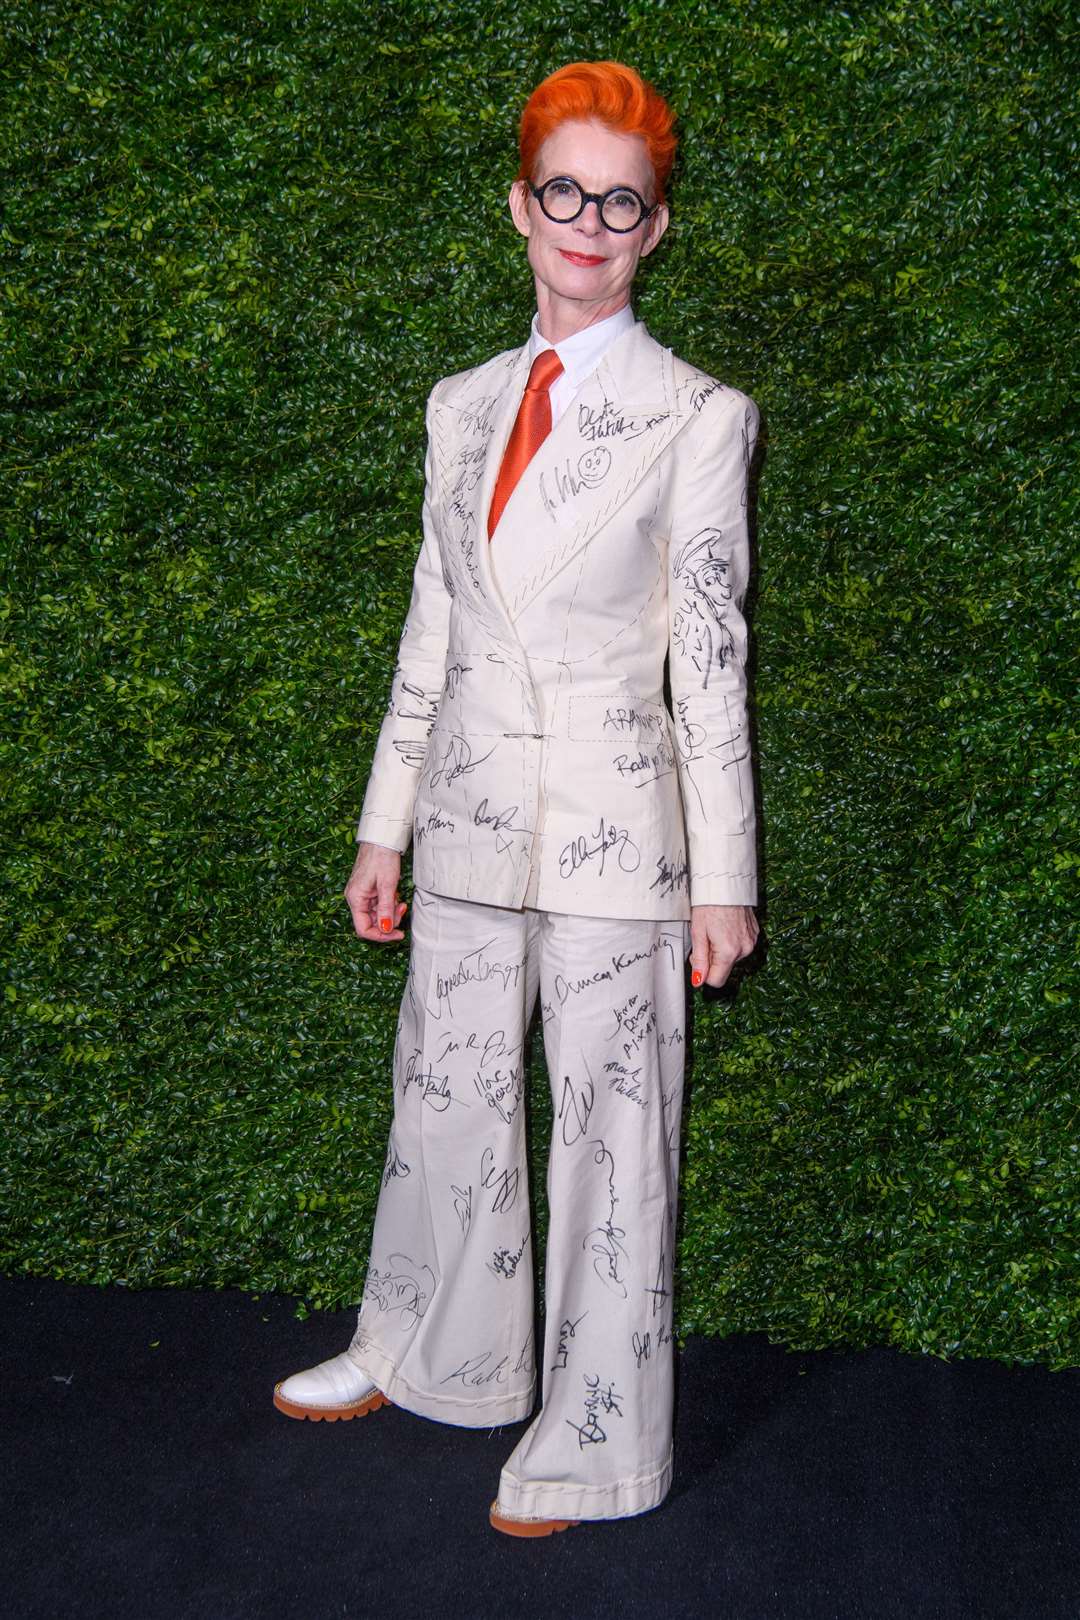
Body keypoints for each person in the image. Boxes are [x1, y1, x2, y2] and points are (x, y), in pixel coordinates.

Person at [273, 59, 762, 1537]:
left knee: (614, 1144)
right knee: (443, 1094)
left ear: (655, 229)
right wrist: (384, 819)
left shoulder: (700, 417)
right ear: (520, 205)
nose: (591, 222)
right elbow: (435, 616)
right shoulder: (462, 404)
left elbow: (713, 659)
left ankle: (593, 1443)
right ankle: (424, 1348)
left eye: (623, 201)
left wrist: (726, 875)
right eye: (568, 191)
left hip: (623, 835)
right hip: (471, 816)